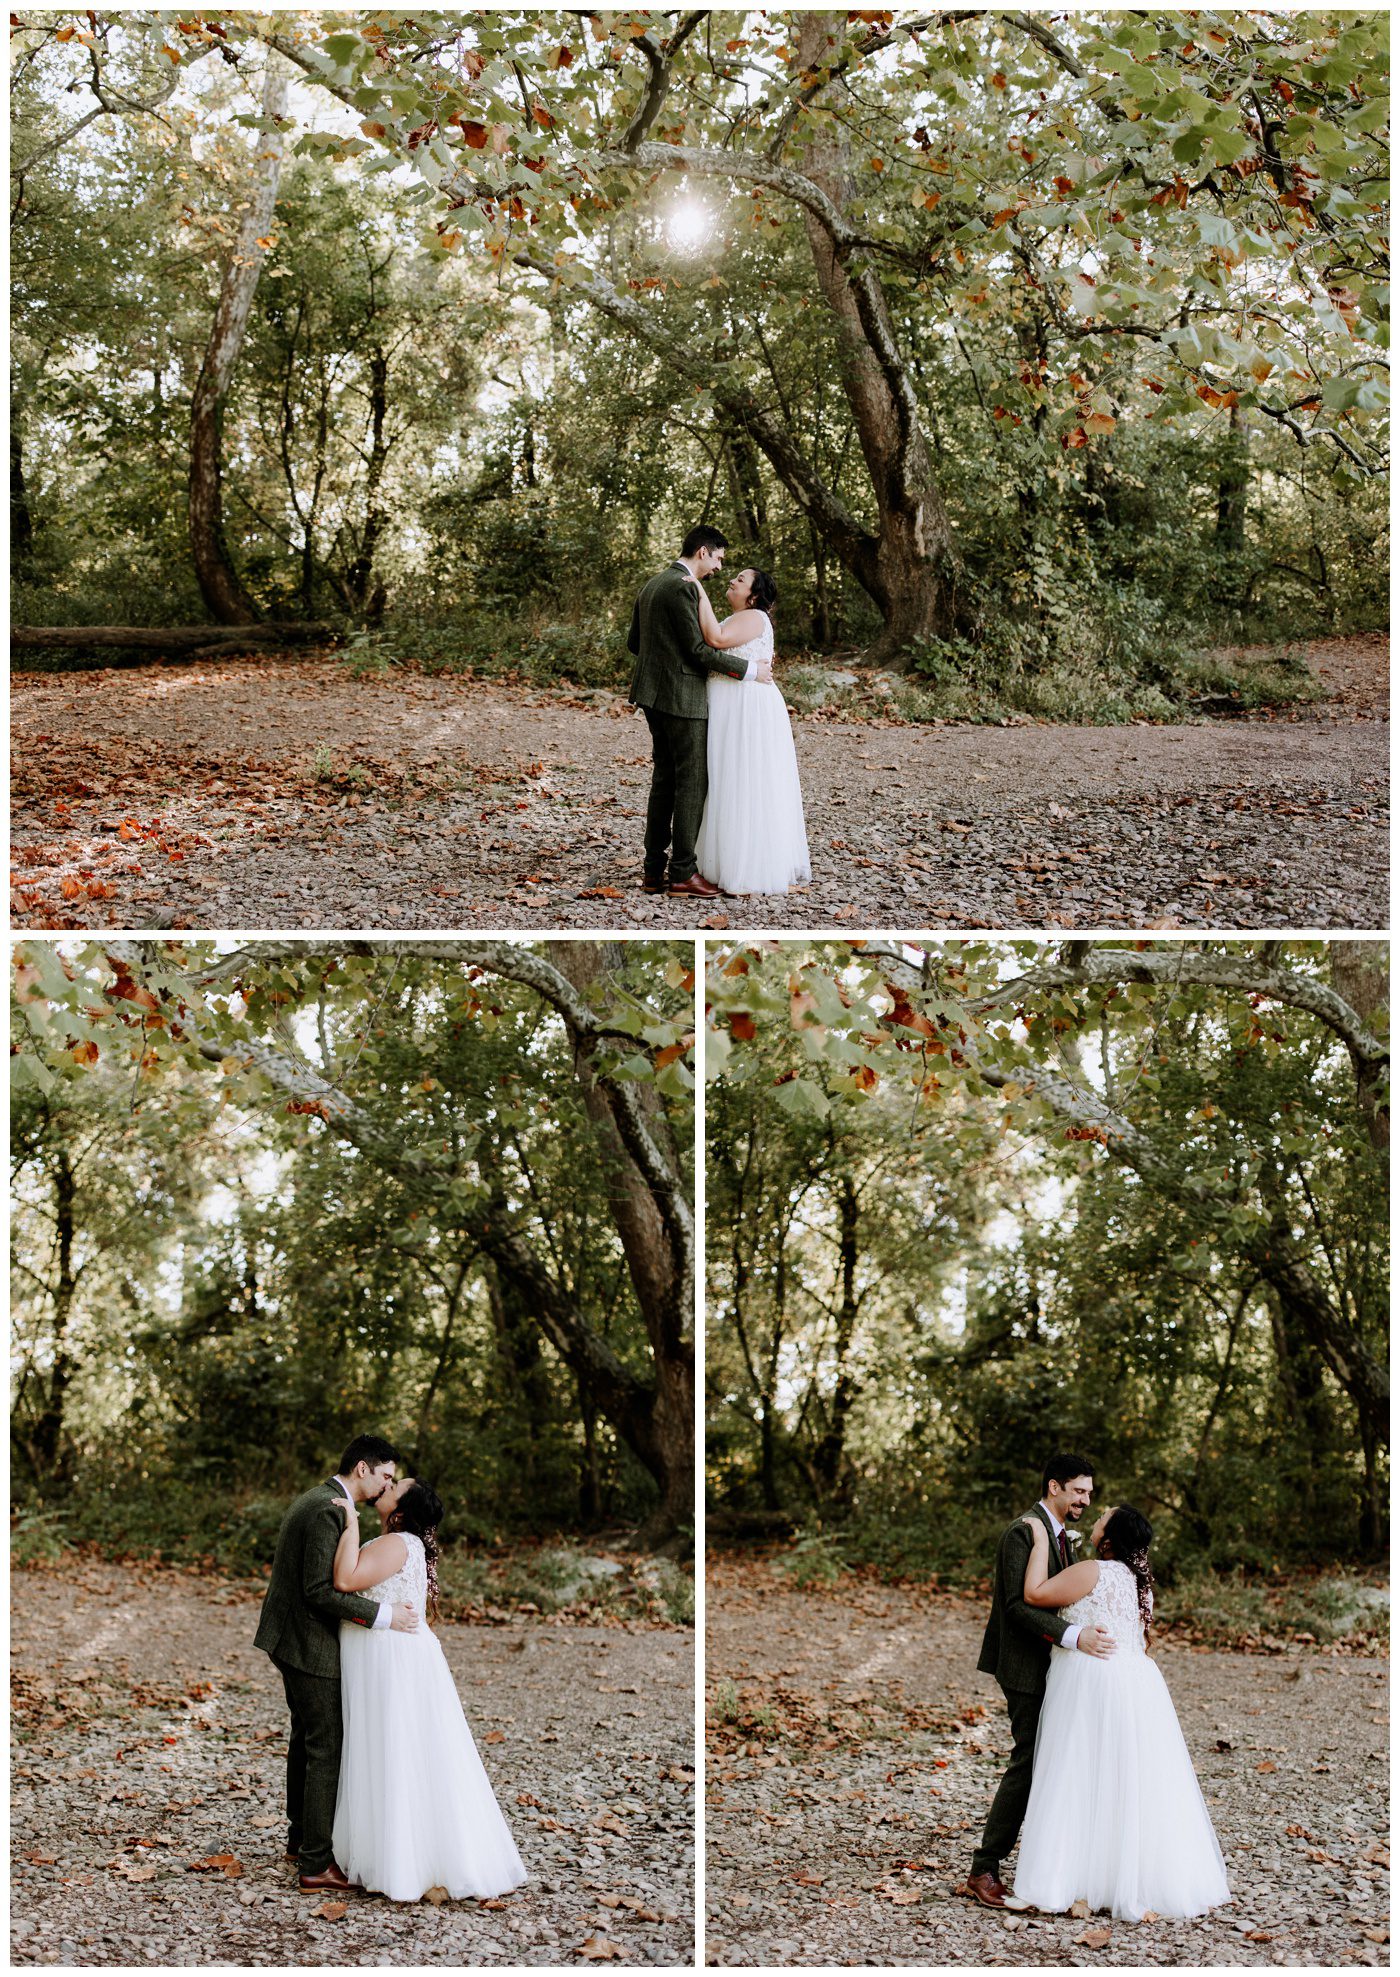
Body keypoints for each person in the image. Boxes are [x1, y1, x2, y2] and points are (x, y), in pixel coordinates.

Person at [1011, 1501, 1231, 1919]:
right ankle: (1121, 1878)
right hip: (1136, 1683)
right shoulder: (1140, 1583)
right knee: (1126, 1780)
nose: (1096, 1515)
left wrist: (1040, 1539)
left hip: (1091, 1680)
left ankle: (1068, 1878)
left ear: (1109, 1539)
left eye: (1104, 1516)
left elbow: (1034, 1594)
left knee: (1078, 1772)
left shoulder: (1094, 1570)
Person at [328, 1473, 527, 1902]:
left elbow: (345, 1581)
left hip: (389, 1660)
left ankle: (399, 1861)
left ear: (399, 1512)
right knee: (411, 1754)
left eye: (395, 1486)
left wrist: (352, 1525)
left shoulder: (396, 1543)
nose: (387, 1484)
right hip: (400, 1655)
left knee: (392, 1752)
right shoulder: (410, 1545)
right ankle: (416, 1855)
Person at [253, 1435, 419, 1892]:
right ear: (362, 1469)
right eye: (385, 1475)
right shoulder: (328, 1507)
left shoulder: (324, 1500)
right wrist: (384, 1617)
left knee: (307, 1739)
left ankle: (299, 1840)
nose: (387, 1485)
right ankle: (315, 1864)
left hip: (292, 1637)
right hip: (307, 1642)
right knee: (326, 1744)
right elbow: (319, 1591)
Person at [962, 1452, 1115, 1910]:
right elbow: (1016, 1605)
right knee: (1028, 1762)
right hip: (1025, 1666)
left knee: (1057, 1762)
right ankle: (983, 1868)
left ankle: (1057, 1862)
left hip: (1054, 1665)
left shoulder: (1058, 1531)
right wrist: (1074, 1636)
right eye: (1079, 1491)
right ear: (1054, 1486)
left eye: (1089, 1493)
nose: (1086, 1500)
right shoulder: (1022, 1531)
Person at [627, 525, 772, 898]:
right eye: (719, 558)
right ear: (703, 552)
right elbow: (696, 649)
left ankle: (652, 871)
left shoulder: (653, 583)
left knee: (665, 780)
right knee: (692, 783)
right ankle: (682, 874)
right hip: (682, 697)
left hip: (652, 695)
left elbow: (634, 643)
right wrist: (750, 670)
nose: (720, 567)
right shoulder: (684, 587)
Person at [687, 565, 811, 896]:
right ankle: (723, 859)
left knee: (743, 780)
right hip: (732, 705)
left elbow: (716, 640)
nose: (732, 580)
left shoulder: (755, 617)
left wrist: (698, 591)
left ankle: (747, 866)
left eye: (740, 579)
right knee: (726, 779)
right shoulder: (739, 617)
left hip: (747, 709)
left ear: (753, 595)